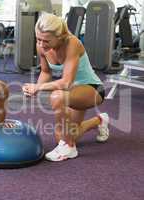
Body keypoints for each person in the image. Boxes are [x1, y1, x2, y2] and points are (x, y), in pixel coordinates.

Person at [22, 13, 109, 162]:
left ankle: (69, 148)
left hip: (92, 88)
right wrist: (35, 88)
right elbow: (45, 71)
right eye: (38, 39)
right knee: (63, 136)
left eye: (46, 41)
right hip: (72, 91)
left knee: (57, 96)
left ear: (60, 36)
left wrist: (39, 88)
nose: (41, 44)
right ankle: (99, 121)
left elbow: (66, 83)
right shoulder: (41, 47)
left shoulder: (72, 43)